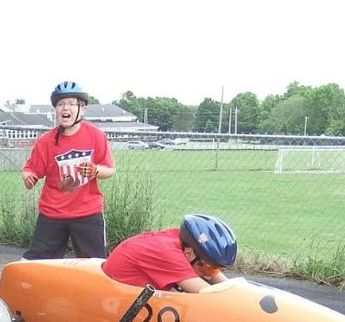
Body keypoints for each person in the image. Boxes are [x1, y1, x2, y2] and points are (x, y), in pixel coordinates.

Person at [21, 81, 116, 259]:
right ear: (56, 109)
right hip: (53, 211)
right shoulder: (45, 141)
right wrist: (29, 177)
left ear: (83, 109)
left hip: (87, 211)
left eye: (72, 103)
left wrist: (96, 171)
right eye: (60, 104)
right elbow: (32, 169)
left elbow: (109, 170)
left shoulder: (96, 135)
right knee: (39, 264)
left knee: (95, 264)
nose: (66, 108)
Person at [102, 214, 238, 293]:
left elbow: (228, 288)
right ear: (190, 254)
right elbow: (210, 296)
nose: (210, 275)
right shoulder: (169, 254)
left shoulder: (183, 242)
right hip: (114, 299)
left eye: (216, 270)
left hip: (133, 295)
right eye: (208, 269)